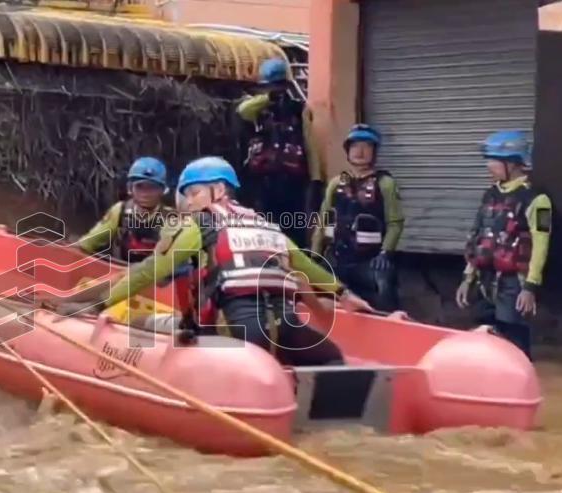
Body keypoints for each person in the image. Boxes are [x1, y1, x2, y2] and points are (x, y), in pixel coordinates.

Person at [54, 156, 373, 367]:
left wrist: (96, 306)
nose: (189, 202)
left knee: (136, 327)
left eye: (193, 193)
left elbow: (150, 271)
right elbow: (304, 263)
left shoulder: (198, 225)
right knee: (333, 359)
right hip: (287, 331)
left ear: (218, 190)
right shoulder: (264, 223)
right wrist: (345, 295)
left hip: (234, 334)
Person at [456, 131, 552, 359]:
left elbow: (541, 245)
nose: (489, 166)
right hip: (485, 279)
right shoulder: (490, 195)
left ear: (513, 162)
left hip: (513, 283)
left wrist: (530, 287)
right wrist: (467, 277)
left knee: (513, 339)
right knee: (484, 335)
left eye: (494, 160)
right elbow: (478, 236)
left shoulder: (538, 200)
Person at [311, 124, 404, 312]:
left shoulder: (385, 183)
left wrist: (385, 252)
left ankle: (388, 324)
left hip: (368, 262)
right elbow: (324, 220)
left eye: (366, 146)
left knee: (383, 281)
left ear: (374, 152)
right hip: (337, 258)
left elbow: (395, 223)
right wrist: (315, 254)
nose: (359, 151)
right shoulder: (336, 183)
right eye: (354, 146)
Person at [237, 58, 324, 248]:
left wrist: (316, 179)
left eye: (278, 86)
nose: (275, 90)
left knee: (293, 231)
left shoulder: (297, 109)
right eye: (270, 86)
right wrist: (268, 98)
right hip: (263, 183)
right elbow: (243, 110)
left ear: (286, 85)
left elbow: (309, 144)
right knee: (266, 228)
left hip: (292, 182)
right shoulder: (255, 108)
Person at [77, 157, 177, 264]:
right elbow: (87, 243)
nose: (145, 193)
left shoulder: (171, 218)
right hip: (120, 274)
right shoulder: (120, 211)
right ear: (130, 188)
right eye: (140, 187)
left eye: (152, 188)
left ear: (162, 191)